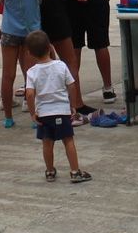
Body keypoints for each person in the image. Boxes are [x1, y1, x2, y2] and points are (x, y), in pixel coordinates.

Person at [22, 30, 91, 184]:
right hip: (61, 111)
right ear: (50, 47)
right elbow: (71, 85)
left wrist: (33, 113)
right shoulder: (61, 66)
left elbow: (30, 94)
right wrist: (72, 105)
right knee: (68, 141)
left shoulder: (31, 72)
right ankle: (74, 171)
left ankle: (50, 171)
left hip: (44, 114)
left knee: (47, 142)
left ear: (30, 53)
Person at [0, 0, 45, 128]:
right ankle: (34, 115)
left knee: (8, 76)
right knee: (30, 75)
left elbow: (3, 0)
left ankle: (8, 117)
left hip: (9, 31)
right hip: (31, 33)